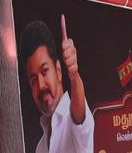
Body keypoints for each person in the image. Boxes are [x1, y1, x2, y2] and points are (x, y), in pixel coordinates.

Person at [19, 18, 93, 153]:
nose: (41, 85)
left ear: (58, 71)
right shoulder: (40, 148)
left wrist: (74, 75)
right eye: (34, 79)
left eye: (44, 71)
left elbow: (79, 117)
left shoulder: (72, 119)